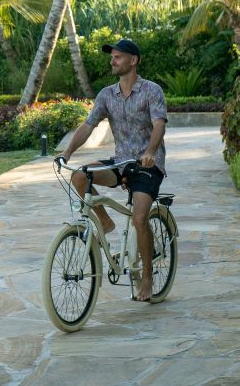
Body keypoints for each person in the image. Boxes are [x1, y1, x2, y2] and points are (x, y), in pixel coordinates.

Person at [58, 38, 167, 302]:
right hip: (120, 162)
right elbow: (88, 125)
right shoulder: (106, 95)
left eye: (118, 57)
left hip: (147, 165)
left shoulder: (151, 90)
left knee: (139, 218)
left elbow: (159, 124)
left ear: (133, 60)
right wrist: (67, 152)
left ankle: (148, 277)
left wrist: (150, 151)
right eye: (112, 56)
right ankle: (105, 222)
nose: (112, 60)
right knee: (80, 176)